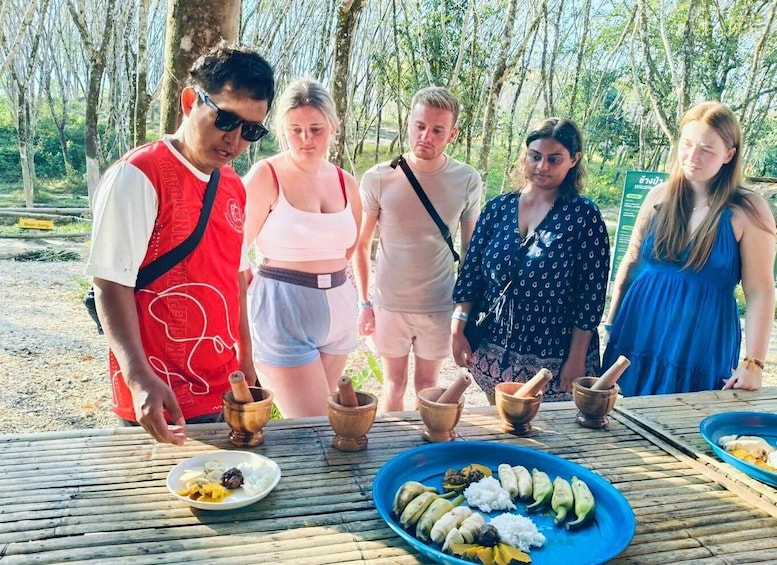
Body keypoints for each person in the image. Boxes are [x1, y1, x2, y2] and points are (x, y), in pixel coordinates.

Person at [85, 43, 275, 444]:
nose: (235, 140)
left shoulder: (233, 186)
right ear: (190, 101)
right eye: (225, 119)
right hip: (159, 390)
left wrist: (248, 364)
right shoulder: (137, 176)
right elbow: (109, 283)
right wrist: (137, 379)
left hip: (225, 386)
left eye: (251, 130)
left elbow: (235, 278)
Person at [603, 101, 776, 395]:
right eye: (687, 144)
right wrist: (610, 328)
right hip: (638, 330)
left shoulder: (748, 209)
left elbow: (760, 289)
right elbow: (631, 262)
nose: (693, 156)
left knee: (684, 423)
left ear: (729, 154)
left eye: (706, 149)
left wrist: (754, 363)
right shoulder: (658, 198)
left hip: (700, 341)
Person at [451, 118, 609, 403]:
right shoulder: (499, 208)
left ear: (574, 160)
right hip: (494, 350)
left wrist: (576, 359)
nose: (542, 167)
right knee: (500, 430)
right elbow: (471, 272)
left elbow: (590, 296)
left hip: (553, 359)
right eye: (535, 157)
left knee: (548, 436)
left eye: (554, 159)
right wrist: (458, 327)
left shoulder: (583, 216)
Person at [353, 86, 483, 412]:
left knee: (427, 386)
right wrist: (364, 302)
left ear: (451, 134)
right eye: (419, 126)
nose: (426, 136)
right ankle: (389, 452)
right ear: (409, 123)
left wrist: (463, 314)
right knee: (393, 385)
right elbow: (361, 244)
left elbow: (471, 252)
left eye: (437, 130)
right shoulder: (379, 178)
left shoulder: (466, 179)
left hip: (438, 304)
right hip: (389, 303)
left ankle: (423, 454)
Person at [242, 78, 361, 418]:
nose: (306, 139)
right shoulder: (265, 175)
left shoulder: (346, 182)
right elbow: (235, 250)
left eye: (316, 129)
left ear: (333, 127)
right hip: (284, 308)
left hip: (338, 306)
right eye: (295, 130)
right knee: (312, 425)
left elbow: (349, 247)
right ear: (282, 129)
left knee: (328, 420)